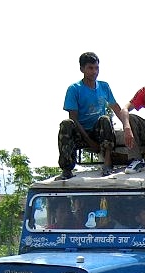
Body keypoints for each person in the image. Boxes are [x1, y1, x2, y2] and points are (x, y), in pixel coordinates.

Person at [58, 52, 133, 180]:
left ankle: (108, 163)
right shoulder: (74, 89)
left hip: (99, 132)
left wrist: (128, 128)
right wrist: (89, 141)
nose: (94, 72)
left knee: (105, 119)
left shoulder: (104, 86)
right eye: (90, 68)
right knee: (66, 124)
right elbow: (73, 118)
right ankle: (67, 168)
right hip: (81, 132)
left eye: (96, 68)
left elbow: (116, 108)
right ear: (82, 69)